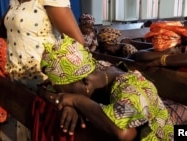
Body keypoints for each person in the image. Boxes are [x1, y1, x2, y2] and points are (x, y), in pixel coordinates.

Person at [0, 0, 85, 140]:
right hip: (22, 86)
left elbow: (77, 43)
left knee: (45, 134)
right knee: (26, 133)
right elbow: (4, 31)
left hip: (48, 86)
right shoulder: (15, 1)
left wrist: (71, 94)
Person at [40, 35, 174, 141]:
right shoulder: (95, 69)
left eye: (64, 92)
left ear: (85, 82)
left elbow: (124, 133)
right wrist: (66, 103)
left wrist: (77, 101)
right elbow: (43, 88)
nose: (62, 95)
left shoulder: (132, 88)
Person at [123, 21, 187, 124]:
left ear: (177, 41)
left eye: (165, 39)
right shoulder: (158, 52)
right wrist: (167, 53)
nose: (159, 43)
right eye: (155, 39)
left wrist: (160, 60)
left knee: (159, 119)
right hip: (173, 96)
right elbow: (140, 55)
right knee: (135, 109)